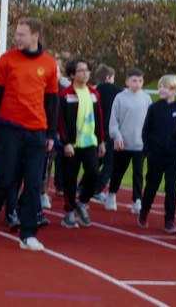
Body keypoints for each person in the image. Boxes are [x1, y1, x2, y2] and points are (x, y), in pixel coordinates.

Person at [0, 17, 55, 252]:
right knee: (6, 178)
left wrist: (51, 133)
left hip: (37, 130)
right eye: (16, 34)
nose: (17, 38)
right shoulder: (7, 60)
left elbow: (52, 101)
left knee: (33, 183)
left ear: (35, 36)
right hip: (9, 128)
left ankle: (28, 234)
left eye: (22, 34)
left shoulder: (49, 64)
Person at [57, 58, 106, 230]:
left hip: (89, 142)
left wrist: (101, 141)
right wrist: (66, 143)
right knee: (69, 179)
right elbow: (61, 120)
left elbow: (99, 118)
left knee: (94, 174)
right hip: (72, 144)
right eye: (81, 70)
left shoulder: (94, 93)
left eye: (87, 70)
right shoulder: (65, 94)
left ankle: (81, 202)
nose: (85, 74)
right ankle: (69, 212)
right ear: (72, 75)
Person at [137, 74, 176, 233]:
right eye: (160, 87)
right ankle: (144, 211)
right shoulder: (154, 108)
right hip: (156, 155)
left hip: (174, 157)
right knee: (152, 186)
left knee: (171, 189)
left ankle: (169, 220)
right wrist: (148, 151)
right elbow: (146, 131)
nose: (161, 90)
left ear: (175, 90)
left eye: (165, 87)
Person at [105, 67, 150, 213]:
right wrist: (117, 137)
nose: (137, 84)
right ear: (127, 82)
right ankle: (111, 193)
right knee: (118, 171)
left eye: (140, 81)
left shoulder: (146, 98)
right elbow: (113, 122)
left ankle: (137, 200)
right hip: (123, 144)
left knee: (138, 173)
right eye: (134, 81)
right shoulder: (120, 98)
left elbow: (150, 121)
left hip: (140, 144)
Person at [91, 64, 121, 204]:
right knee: (110, 162)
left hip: (92, 129)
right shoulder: (115, 91)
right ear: (108, 77)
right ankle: (96, 189)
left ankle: (84, 185)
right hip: (108, 129)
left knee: (97, 159)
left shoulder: (92, 90)